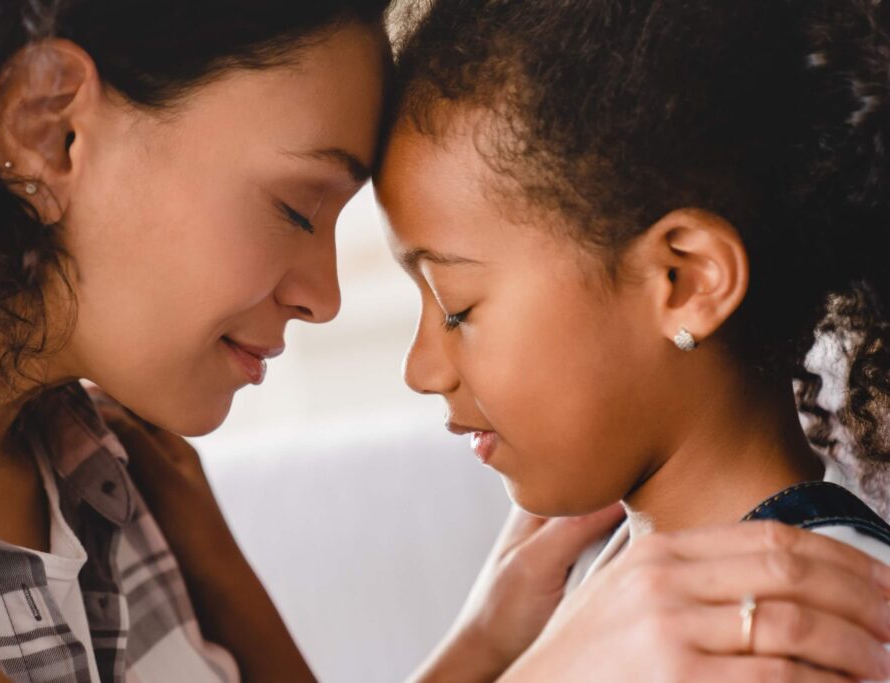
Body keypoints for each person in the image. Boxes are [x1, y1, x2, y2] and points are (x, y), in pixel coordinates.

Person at [0, 2, 888, 683]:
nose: (321, 300)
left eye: (458, 301)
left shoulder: (118, 471)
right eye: (296, 203)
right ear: (52, 129)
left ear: (686, 282)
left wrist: (487, 645)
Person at [373, 0, 890, 681]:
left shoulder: (805, 632)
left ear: (684, 280)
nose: (421, 369)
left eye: (456, 307)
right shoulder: (593, 595)